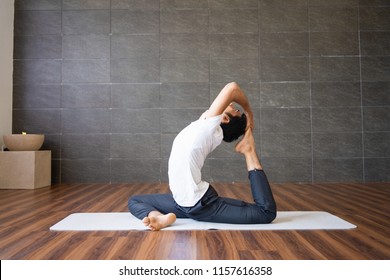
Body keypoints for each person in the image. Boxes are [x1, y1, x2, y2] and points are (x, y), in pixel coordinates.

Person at [128, 82, 277, 231]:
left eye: (235, 109)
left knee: (266, 213)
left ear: (224, 119)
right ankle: (159, 217)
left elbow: (232, 88)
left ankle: (249, 150)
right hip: (181, 201)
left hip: (201, 204)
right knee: (135, 201)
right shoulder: (204, 124)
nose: (232, 103)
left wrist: (249, 113)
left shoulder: (210, 125)